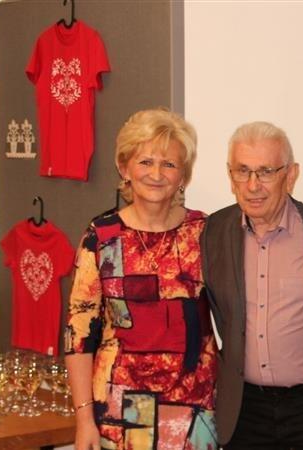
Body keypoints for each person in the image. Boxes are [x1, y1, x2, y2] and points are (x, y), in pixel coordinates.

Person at [201, 121, 303, 449]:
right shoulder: (212, 233)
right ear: (229, 175)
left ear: (291, 175)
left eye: (266, 171)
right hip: (244, 411)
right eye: (242, 171)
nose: (252, 185)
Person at [65, 109, 218, 450]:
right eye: (146, 161)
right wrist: (83, 420)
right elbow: (78, 335)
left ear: (183, 177)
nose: (156, 174)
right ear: (124, 167)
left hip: (193, 409)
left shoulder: (205, 234)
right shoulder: (101, 237)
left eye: (169, 164)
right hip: (117, 411)